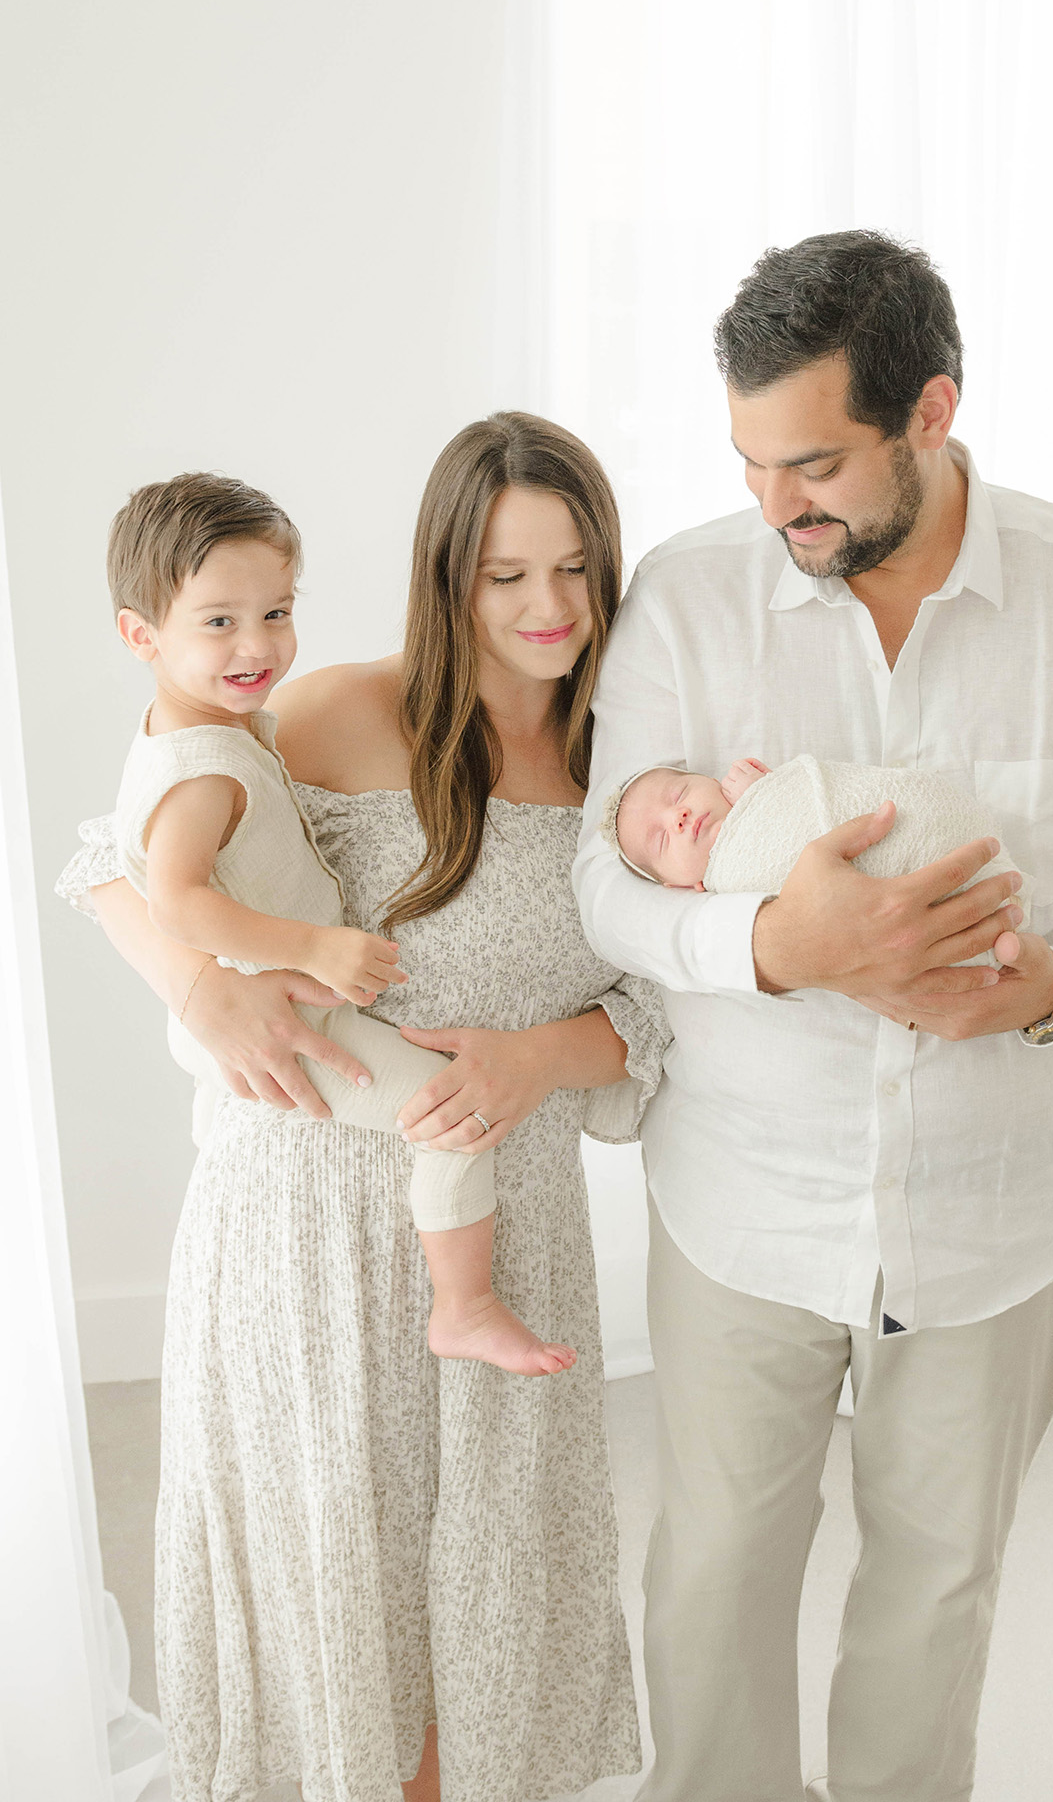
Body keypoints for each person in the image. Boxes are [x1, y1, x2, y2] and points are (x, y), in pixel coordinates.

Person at [572, 230, 1053, 1802]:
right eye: (753, 465)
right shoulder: (691, 598)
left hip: (997, 1218)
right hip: (741, 1208)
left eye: (815, 462)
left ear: (931, 412)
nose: (778, 508)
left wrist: (1052, 988)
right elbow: (600, 885)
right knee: (710, 1582)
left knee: (933, 1593)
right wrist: (773, 943)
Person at [58, 412, 663, 1802]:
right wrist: (198, 989)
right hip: (300, 1232)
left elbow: (670, 1019)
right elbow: (120, 850)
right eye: (505, 576)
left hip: (501, 1232)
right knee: (341, 1592)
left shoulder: (629, 773)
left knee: (487, 1597)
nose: (548, 609)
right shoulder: (335, 709)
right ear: (444, 577)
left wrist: (536, 1059)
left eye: (575, 570)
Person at [107, 469, 578, 1375]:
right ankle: (466, 1304)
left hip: (501, 1187)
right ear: (141, 634)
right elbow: (141, 882)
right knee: (447, 1117)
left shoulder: (238, 731)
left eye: (277, 612)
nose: (258, 644)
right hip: (304, 1137)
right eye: (219, 621)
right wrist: (231, 978)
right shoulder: (224, 754)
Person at [604, 756, 1023, 931]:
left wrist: (767, 793)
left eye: (679, 795)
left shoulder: (765, 791)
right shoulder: (727, 898)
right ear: (681, 887)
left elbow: (823, 802)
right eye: (661, 839)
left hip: (922, 830)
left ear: (712, 781)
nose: (677, 818)